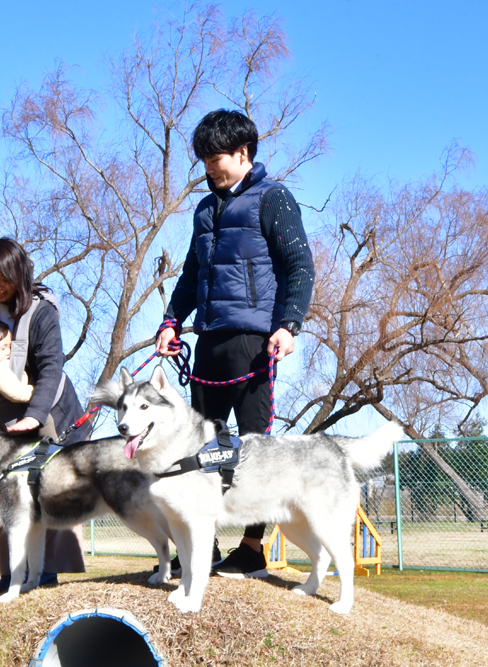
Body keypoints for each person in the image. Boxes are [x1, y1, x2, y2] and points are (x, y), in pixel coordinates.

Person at [156, 109, 315, 578]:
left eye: (214, 157)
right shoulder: (204, 210)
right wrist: (170, 322)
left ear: (242, 154)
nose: (207, 166)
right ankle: (203, 542)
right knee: (198, 442)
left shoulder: (274, 198)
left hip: (254, 339)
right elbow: (190, 275)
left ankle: (252, 548)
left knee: (254, 447)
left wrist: (288, 324)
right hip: (208, 339)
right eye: (203, 158)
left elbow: (299, 267)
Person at [0, 237, 90, 596]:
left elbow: (52, 367)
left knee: (48, 491)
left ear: (21, 275)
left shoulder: (42, 310)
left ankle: (47, 574)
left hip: (45, 412)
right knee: (7, 493)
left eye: (3, 278)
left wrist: (35, 414)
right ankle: (11, 574)